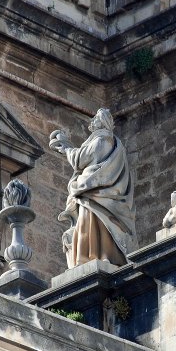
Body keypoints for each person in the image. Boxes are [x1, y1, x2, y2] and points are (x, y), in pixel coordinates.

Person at [50, 108, 135, 268]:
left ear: (101, 122)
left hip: (93, 192)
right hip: (109, 195)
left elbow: (79, 159)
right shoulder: (116, 144)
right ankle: (106, 255)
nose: (92, 120)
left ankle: (92, 256)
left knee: (90, 222)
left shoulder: (101, 141)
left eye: (96, 118)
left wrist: (66, 146)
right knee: (101, 224)